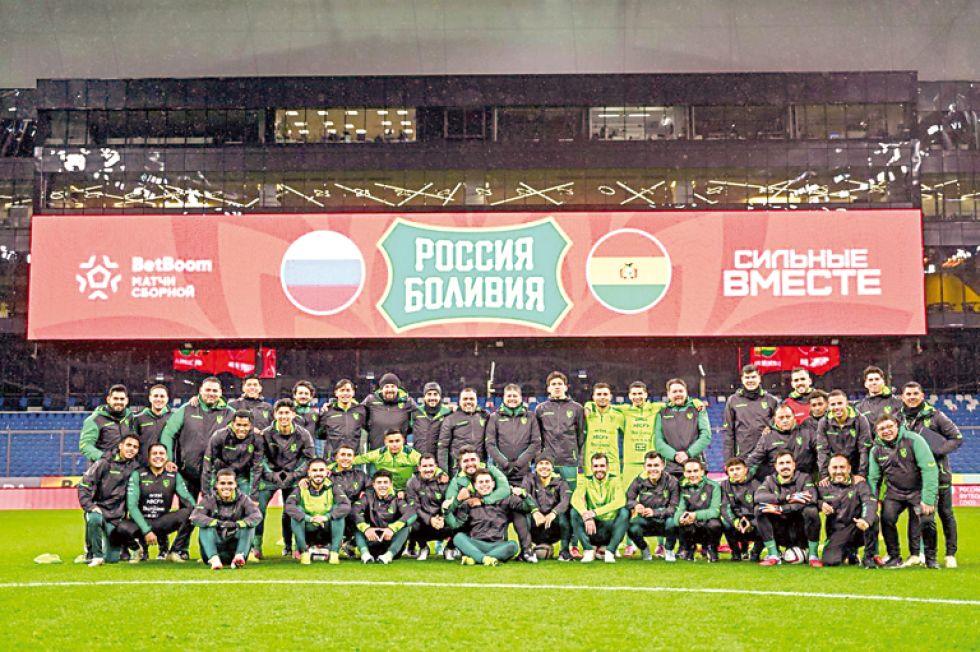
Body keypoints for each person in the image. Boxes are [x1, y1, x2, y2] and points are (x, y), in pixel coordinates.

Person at [160, 376, 236, 560]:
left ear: (221, 393)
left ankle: (220, 550)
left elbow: (244, 431)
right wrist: (168, 459)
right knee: (190, 512)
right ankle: (180, 550)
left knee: (219, 513)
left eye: (214, 391)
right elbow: (168, 434)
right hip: (189, 472)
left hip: (216, 476)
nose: (211, 394)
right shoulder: (186, 409)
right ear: (200, 391)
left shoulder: (230, 413)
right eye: (207, 390)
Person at [900, 381, 963, 568]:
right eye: (908, 394)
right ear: (902, 397)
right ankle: (917, 554)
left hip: (939, 474)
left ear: (922, 395)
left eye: (915, 393)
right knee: (917, 514)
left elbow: (957, 438)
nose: (912, 397)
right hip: (914, 476)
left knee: (945, 513)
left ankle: (950, 554)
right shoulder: (899, 417)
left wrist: (935, 451)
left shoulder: (936, 416)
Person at [867, 415, 940, 569]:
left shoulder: (914, 440)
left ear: (897, 426)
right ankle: (894, 556)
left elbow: (929, 469)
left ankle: (930, 558)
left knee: (927, 521)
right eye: (881, 429)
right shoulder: (875, 450)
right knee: (887, 518)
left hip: (918, 491)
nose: (886, 431)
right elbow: (873, 479)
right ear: (876, 432)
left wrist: (928, 498)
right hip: (894, 492)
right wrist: (872, 504)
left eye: (889, 427)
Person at [253, 398, 316, 559]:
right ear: (274, 414)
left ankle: (291, 546)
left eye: (287, 413)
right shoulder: (265, 434)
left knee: (291, 512)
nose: (283, 416)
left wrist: (294, 475)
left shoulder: (303, 434)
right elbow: (260, 458)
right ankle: (255, 547)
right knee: (258, 511)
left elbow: (309, 458)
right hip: (269, 478)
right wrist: (271, 475)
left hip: (293, 477)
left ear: (293, 414)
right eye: (280, 413)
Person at [113, 443, 196, 562]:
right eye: (154, 453)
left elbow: (187, 498)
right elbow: (132, 506)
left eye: (161, 453)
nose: (158, 456)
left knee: (192, 512)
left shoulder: (173, 475)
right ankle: (137, 550)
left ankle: (173, 552)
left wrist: (198, 510)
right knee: (120, 528)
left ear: (167, 457)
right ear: (148, 457)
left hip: (162, 522)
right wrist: (146, 530)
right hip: (142, 522)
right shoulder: (138, 474)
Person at [77, 435, 141, 566]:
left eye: (135, 447)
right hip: (99, 510)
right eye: (128, 445)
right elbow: (84, 485)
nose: (131, 449)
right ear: (120, 446)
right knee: (94, 518)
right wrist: (89, 506)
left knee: (112, 559)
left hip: (116, 516)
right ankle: (95, 555)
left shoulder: (136, 468)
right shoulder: (104, 462)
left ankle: (132, 548)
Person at [447, 470, 531, 566]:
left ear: (493, 484)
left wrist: (524, 494)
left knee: (513, 545)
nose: (484, 485)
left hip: (497, 544)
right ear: (475, 485)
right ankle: (485, 559)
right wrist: (451, 508)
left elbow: (528, 507)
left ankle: (476, 558)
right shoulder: (469, 502)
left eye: (487, 481)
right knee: (458, 537)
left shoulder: (505, 500)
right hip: (475, 543)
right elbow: (457, 525)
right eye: (481, 482)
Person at [754, 451, 822, 567]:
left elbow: (811, 498)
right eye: (781, 463)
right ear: (776, 466)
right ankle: (774, 555)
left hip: (801, 532)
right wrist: (786, 497)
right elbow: (758, 497)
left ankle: (813, 555)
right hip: (781, 531)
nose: (785, 466)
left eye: (788, 462)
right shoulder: (769, 480)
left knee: (811, 510)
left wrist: (781, 508)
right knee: (760, 509)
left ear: (794, 465)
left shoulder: (805, 478)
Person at [190, 469, 262, 570]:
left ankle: (239, 556)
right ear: (216, 485)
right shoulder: (208, 499)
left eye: (230, 483)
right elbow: (195, 517)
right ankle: (214, 559)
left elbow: (257, 515)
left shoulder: (244, 499)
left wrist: (239, 524)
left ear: (235, 484)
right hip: (214, 548)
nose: (226, 486)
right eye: (222, 483)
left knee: (249, 525)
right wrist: (216, 523)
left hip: (234, 548)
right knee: (205, 526)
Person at [285, 457, 350, 565]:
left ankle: (334, 553)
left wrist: (326, 517)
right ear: (309, 473)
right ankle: (304, 553)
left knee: (338, 512)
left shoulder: (333, 487)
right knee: (298, 512)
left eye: (321, 470)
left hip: (326, 527)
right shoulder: (301, 487)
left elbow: (346, 505)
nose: (318, 473)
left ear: (327, 472)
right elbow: (289, 506)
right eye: (314, 470)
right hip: (309, 528)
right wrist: (309, 518)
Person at [818, 454, 878, 568]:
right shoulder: (823, 486)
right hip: (837, 532)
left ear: (849, 468)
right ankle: (850, 552)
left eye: (842, 467)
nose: (839, 471)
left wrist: (866, 520)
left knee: (874, 519)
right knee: (830, 562)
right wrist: (820, 504)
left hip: (857, 527)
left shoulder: (860, 484)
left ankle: (869, 557)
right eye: (834, 468)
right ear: (829, 469)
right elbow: (811, 501)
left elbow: (869, 501)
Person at [570, 453, 629, 563]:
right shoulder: (586, 481)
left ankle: (610, 551)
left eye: (602, 466)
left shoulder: (615, 480)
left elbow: (620, 501)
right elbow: (575, 499)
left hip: (610, 528)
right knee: (574, 512)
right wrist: (586, 515)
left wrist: (594, 512)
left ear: (607, 467)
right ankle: (588, 550)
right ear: (591, 468)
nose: (599, 469)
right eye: (596, 466)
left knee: (625, 512)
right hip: (592, 529)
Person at [534, 371, 586, 491]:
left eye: (560, 383)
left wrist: (579, 459)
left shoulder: (577, 408)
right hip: (548, 463)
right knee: (549, 496)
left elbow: (581, 436)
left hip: (569, 462)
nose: (557, 386)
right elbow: (538, 437)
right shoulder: (541, 409)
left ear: (565, 387)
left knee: (571, 496)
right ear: (548, 388)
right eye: (553, 384)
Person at [352, 469, 416, 564]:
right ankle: (365, 555)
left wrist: (392, 529)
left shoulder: (397, 499)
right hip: (372, 540)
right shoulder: (367, 497)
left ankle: (388, 556)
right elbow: (354, 512)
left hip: (390, 542)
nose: (382, 485)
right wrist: (366, 529)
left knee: (406, 527)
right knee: (357, 525)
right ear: (374, 485)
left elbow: (412, 514)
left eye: (385, 482)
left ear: (390, 484)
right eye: (379, 482)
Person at [654, 378, 712, 479]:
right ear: (668, 394)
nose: (678, 394)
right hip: (671, 469)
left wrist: (688, 454)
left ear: (686, 392)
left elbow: (706, 436)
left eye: (681, 391)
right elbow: (658, 441)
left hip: (695, 465)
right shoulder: (662, 412)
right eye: (674, 391)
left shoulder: (697, 408)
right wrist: (674, 455)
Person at [625, 452, 679, 561]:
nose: (652, 469)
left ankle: (669, 550)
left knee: (673, 522)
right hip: (647, 521)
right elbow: (628, 499)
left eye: (656, 465)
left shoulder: (672, 481)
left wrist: (655, 512)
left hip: (665, 521)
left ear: (663, 465)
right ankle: (644, 549)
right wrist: (636, 505)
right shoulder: (639, 481)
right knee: (630, 526)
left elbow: (674, 508)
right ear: (644, 466)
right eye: (649, 465)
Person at [486, 383, 542, 486]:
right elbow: (490, 444)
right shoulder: (494, 417)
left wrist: (519, 463)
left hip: (524, 471)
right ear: (504, 397)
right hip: (501, 471)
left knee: (525, 499)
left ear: (521, 398)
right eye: (509, 396)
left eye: (515, 396)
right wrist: (505, 463)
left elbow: (536, 443)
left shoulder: (531, 417)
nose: (512, 398)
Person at [722, 365, 780, 462]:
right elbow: (728, 433)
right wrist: (729, 460)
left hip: (767, 456)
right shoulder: (733, 401)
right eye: (747, 377)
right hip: (743, 457)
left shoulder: (771, 400)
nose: (750, 380)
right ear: (742, 379)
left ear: (759, 378)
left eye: (753, 377)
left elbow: (779, 428)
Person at [745, 404, 818, 479]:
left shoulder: (808, 433)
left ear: (794, 417)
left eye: (788, 417)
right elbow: (753, 460)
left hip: (804, 480)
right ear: (774, 419)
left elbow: (822, 452)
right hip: (777, 483)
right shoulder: (767, 437)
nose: (785, 420)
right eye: (781, 418)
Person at [521, 455, 572, 561]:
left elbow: (566, 500)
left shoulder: (561, 482)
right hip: (535, 526)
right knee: (521, 512)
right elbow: (524, 495)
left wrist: (554, 513)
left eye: (547, 464)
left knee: (567, 513)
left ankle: (565, 551)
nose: (544, 467)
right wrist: (535, 511)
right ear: (535, 467)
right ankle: (525, 551)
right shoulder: (528, 479)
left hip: (553, 527)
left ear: (552, 467)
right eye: (541, 463)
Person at [671, 458, 723, 562]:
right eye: (689, 471)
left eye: (695, 471)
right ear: (684, 473)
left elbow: (715, 511)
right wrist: (680, 519)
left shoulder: (714, 486)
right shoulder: (681, 487)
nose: (692, 474)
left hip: (707, 523)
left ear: (702, 471)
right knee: (678, 523)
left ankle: (711, 548)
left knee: (715, 524)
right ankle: (689, 548)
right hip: (691, 524)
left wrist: (694, 515)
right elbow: (679, 510)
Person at [202, 409, 264, 495]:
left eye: (245, 425)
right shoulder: (219, 436)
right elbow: (208, 464)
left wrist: (254, 496)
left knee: (245, 504)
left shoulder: (257, 439)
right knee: (216, 504)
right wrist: (206, 493)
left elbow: (257, 468)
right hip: (221, 476)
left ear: (251, 426)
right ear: (232, 424)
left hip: (242, 477)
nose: (241, 429)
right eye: (238, 425)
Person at [815, 389, 872, 482]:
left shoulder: (861, 420)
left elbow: (864, 449)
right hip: (836, 469)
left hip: (857, 467)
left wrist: (862, 474)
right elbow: (822, 451)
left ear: (847, 403)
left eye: (840, 403)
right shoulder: (823, 422)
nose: (837, 407)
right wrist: (824, 475)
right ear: (828, 406)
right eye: (833, 404)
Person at [406, 453, 452, 560]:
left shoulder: (444, 481)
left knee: (462, 518)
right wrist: (429, 519)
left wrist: (442, 518)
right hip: (423, 524)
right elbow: (414, 507)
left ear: (436, 466)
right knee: (410, 519)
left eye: (431, 466)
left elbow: (450, 503)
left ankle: (449, 548)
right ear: (419, 467)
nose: (428, 469)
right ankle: (423, 547)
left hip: (442, 522)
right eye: (425, 466)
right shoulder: (412, 483)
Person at [326, 444, 371, 555]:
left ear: (353, 458)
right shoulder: (327, 475)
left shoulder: (361, 475)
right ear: (336, 457)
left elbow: (371, 489)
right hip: (334, 514)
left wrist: (365, 495)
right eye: (343, 455)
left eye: (349, 455)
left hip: (355, 513)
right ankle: (325, 544)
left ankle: (352, 544)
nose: (346, 458)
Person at [719, 457, 763, 562]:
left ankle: (755, 551)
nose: (735, 472)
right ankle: (736, 552)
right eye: (732, 470)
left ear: (746, 470)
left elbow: (760, 507)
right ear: (727, 472)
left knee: (766, 521)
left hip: (753, 521)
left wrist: (751, 522)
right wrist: (735, 521)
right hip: (736, 521)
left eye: (738, 469)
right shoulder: (724, 485)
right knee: (723, 521)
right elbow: (725, 507)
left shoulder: (757, 484)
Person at [79, 384, 136, 463]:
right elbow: (85, 445)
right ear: (108, 399)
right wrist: (105, 458)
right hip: (103, 470)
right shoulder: (94, 419)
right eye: (115, 398)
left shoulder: (131, 418)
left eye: (122, 399)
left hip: (125, 469)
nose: (119, 402)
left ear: (126, 401)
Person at [437, 387, 489, 474]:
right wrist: (444, 472)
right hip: (458, 469)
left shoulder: (485, 417)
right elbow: (443, 447)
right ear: (459, 401)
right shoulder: (450, 419)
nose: (468, 402)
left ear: (476, 401)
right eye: (465, 399)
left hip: (479, 467)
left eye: (471, 399)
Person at [353, 428, 422, 492]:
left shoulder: (411, 454)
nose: (394, 444)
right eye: (391, 441)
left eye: (397, 441)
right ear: (385, 442)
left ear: (403, 441)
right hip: (385, 491)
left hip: (406, 490)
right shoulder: (378, 454)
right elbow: (358, 459)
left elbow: (428, 464)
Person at [363, 372, 416, 450]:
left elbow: (420, 419)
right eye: (386, 386)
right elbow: (357, 416)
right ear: (381, 389)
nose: (390, 389)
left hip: (399, 456)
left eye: (393, 386)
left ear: (397, 388)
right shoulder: (370, 401)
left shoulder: (407, 402)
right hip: (376, 455)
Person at [316, 378, 366, 459]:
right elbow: (319, 435)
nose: (345, 393)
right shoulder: (327, 411)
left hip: (353, 459)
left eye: (348, 390)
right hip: (332, 459)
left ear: (353, 392)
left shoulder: (361, 410)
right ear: (336, 393)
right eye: (342, 390)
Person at [582, 383, 626, 475]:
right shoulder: (587, 415)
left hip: (612, 467)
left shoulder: (618, 416)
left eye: (605, 394)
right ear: (593, 397)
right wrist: (588, 405)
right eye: (599, 394)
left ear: (610, 397)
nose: (602, 397)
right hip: (591, 466)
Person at [133, 384, 172, 465]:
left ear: (167, 399)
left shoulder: (174, 418)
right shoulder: (138, 419)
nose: (158, 399)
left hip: (166, 467)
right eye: (155, 396)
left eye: (162, 396)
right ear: (150, 398)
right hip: (144, 467)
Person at [412, 382, 452, 458]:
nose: (432, 398)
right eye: (429, 394)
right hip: (419, 460)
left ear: (440, 397)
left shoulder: (448, 413)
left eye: (435, 394)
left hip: (440, 460)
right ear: (424, 397)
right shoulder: (416, 412)